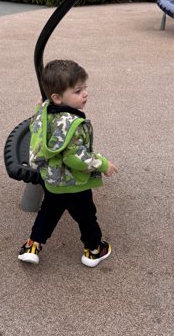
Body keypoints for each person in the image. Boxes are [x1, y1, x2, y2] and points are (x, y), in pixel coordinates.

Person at [18, 59, 118, 268]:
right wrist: (102, 164)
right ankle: (93, 250)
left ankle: (32, 246)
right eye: (78, 90)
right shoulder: (72, 125)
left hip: (53, 180)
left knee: (48, 212)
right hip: (75, 183)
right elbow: (75, 157)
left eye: (85, 88)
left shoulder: (45, 112)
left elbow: (36, 119)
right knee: (86, 215)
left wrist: (40, 104)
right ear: (57, 97)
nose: (85, 94)